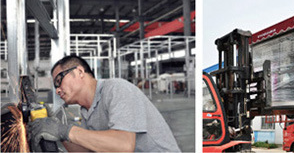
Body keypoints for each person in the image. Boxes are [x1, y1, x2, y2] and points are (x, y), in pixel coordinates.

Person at [27, 55, 181, 152]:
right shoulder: (86, 111)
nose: (58, 90)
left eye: (59, 81)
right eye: (55, 86)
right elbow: (85, 150)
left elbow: (124, 145)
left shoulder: (116, 89)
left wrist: (64, 130)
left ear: (80, 72)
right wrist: (55, 131)